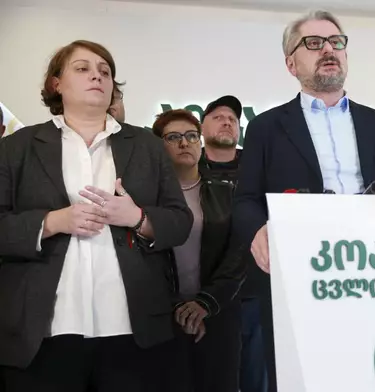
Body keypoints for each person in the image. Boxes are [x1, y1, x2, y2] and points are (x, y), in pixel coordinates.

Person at [0, 40, 193, 392]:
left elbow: (180, 222)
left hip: (132, 328)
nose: (97, 76)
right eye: (83, 68)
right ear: (57, 83)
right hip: (43, 329)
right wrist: (52, 222)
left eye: (105, 71)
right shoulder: (17, 147)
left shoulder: (147, 146)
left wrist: (138, 217)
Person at [233, 10, 375, 392]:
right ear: (291, 63)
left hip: (374, 273)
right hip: (298, 277)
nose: (328, 49)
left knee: (374, 373)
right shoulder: (265, 126)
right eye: (313, 43)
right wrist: (256, 230)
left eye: (336, 42)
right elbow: (246, 200)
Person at [152, 109, 245, 392]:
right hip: (163, 316)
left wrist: (205, 303)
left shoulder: (226, 192)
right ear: (158, 146)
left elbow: (238, 255)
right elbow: (144, 260)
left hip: (219, 312)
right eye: (174, 137)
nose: (185, 143)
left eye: (192, 136)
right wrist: (178, 306)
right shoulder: (146, 198)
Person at [198, 95, 269, 392]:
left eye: (233, 119)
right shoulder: (186, 167)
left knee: (256, 378)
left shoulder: (258, 171)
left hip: (252, 291)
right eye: (218, 117)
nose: (227, 122)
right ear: (201, 127)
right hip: (201, 294)